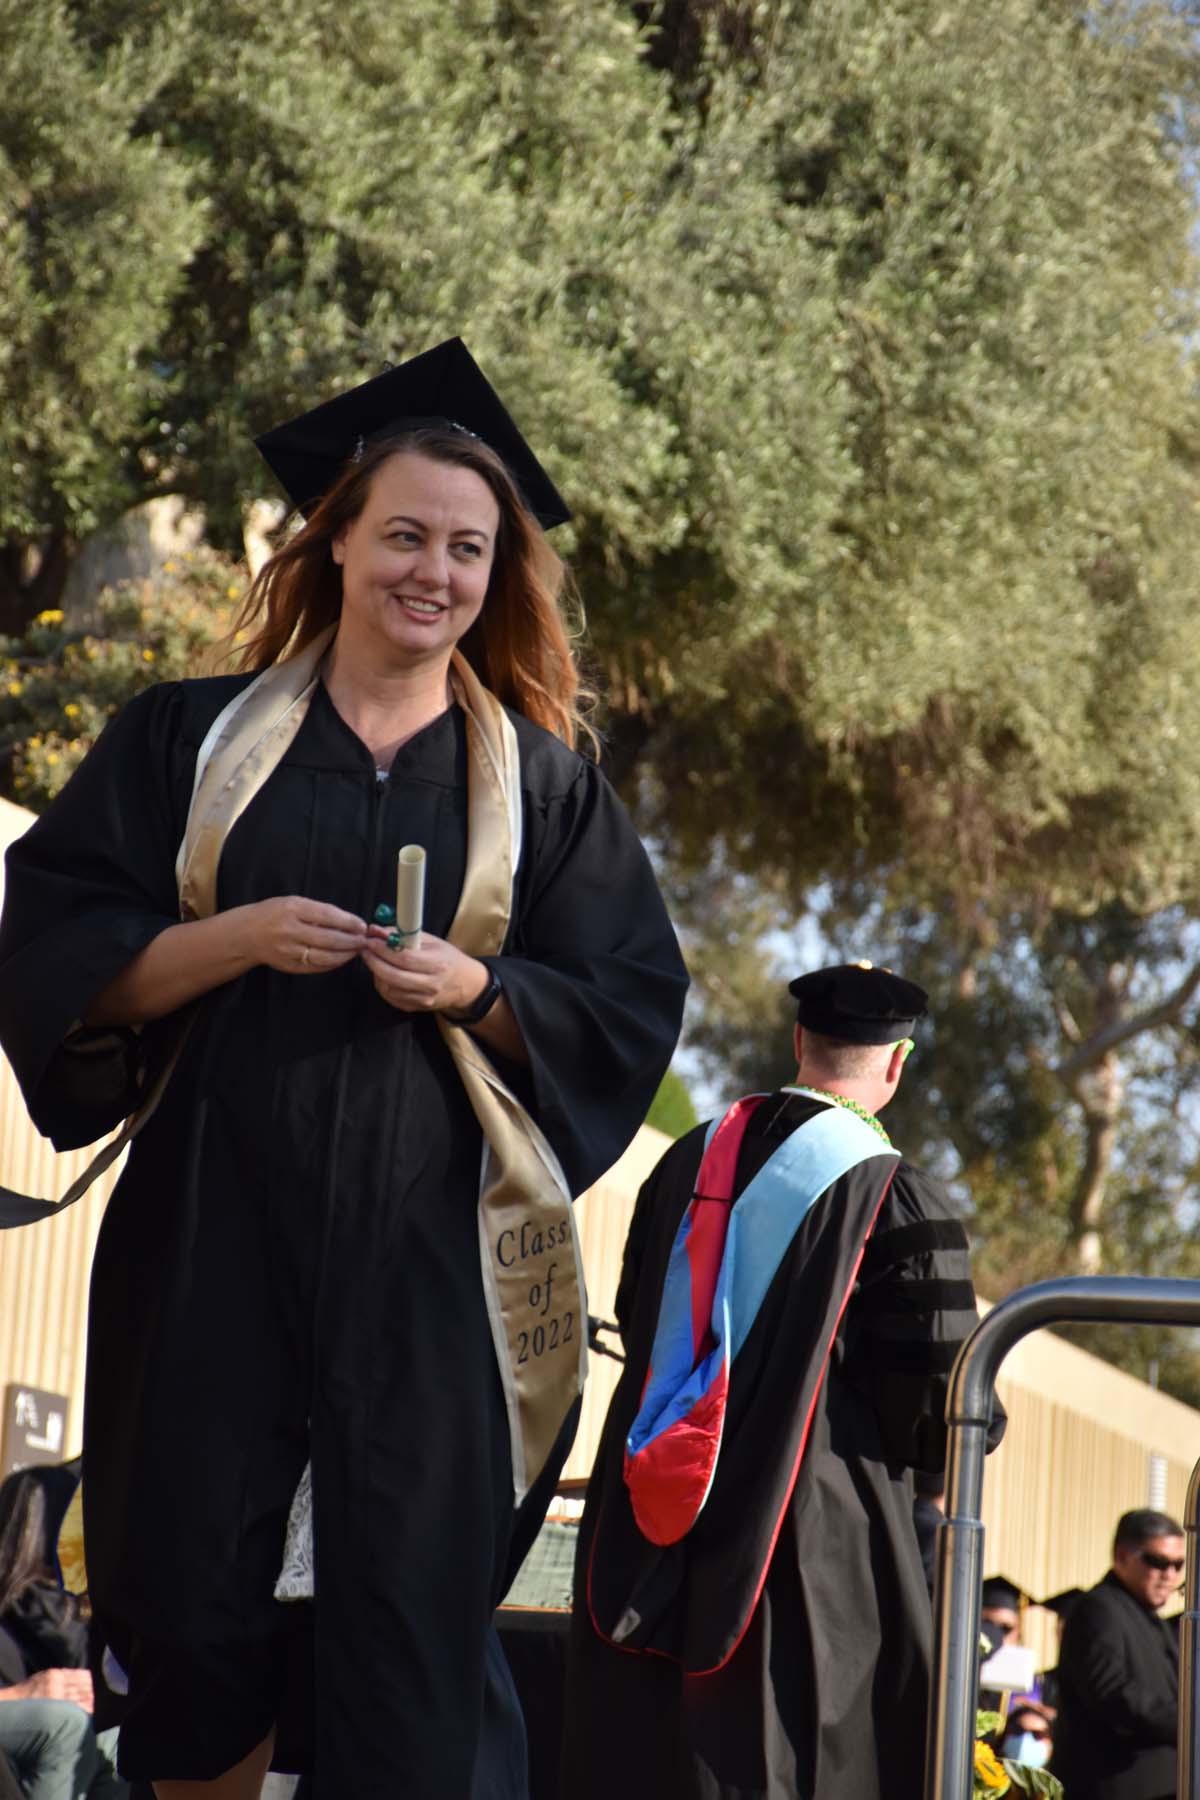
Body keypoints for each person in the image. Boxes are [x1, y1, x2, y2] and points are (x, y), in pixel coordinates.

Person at [0, 337, 688, 1800]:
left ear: (499, 574)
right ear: (339, 541)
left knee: (412, 1641)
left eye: (467, 548)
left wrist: (481, 987)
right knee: (184, 1614)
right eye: (405, 536)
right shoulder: (184, 740)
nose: (432, 572)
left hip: (434, 1262)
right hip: (207, 1234)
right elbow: (58, 947)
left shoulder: (548, 793)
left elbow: (625, 1004)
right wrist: (229, 938)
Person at [562, 962, 1003, 1800]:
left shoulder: (689, 1160)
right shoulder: (895, 1193)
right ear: (897, 1064)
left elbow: (636, 1312)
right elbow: (938, 1399)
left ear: (799, 1042)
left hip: (646, 1525)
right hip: (808, 1543)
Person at [1049, 1508, 1183, 1800]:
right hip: (1110, 1788)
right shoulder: (1097, 1609)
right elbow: (1111, 1692)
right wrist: (1188, 1722)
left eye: (1178, 1564)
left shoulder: (1153, 1621)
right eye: (1157, 1561)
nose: (1169, 1575)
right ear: (1123, 1555)